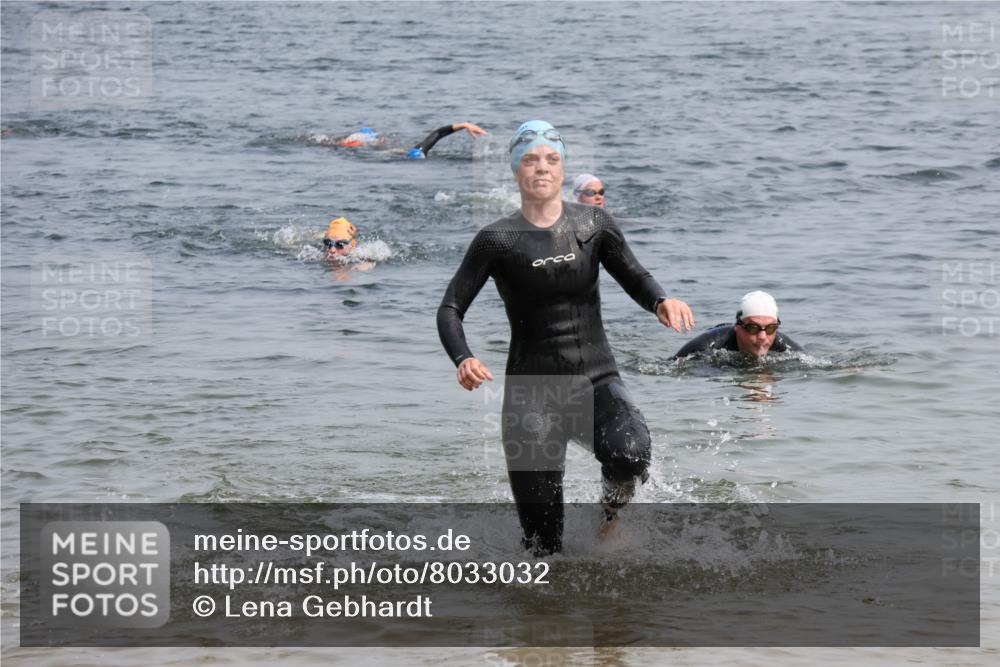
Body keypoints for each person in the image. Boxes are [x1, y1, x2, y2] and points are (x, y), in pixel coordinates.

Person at [437, 120, 694, 556]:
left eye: (552, 160)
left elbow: (634, 274)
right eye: (531, 160)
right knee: (543, 549)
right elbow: (450, 309)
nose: (542, 168)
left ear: (563, 169)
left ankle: (610, 519)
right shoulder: (496, 239)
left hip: (595, 378)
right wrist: (463, 358)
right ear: (516, 170)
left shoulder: (594, 223)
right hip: (530, 397)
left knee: (630, 453)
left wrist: (660, 301)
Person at [671, 291, 803, 359]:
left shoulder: (783, 345)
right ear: (738, 327)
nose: (763, 337)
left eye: (770, 328)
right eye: (753, 328)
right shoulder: (707, 344)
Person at [327, 122, 487, 158]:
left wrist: (465, 125)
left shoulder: (418, 151)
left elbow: (438, 133)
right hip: (368, 144)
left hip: (375, 148)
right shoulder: (419, 151)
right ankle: (367, 135)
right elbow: (438, 133)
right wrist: (465, 124)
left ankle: (367, 136)